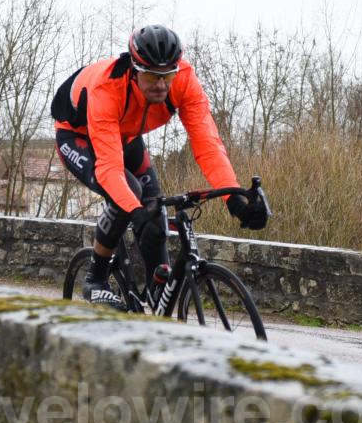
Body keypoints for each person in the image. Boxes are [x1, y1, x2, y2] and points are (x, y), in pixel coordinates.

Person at [51, 24, 268, 310]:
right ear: (134, 69)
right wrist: (135, 212)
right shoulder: (108, 88)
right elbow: (109, 170)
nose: (161, 85)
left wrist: (234, 198)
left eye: (167, 76)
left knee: (154, 209)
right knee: (128, 192)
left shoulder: (184, 80)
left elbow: (208, 146)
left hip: (126, 136)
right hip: (78, 135)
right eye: (153, 76)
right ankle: (96, 277)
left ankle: (155, 294)